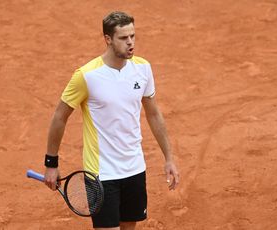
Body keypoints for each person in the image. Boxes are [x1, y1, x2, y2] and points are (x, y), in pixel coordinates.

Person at [43, 11, 179, 230]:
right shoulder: (86, 76)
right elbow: (60, 116)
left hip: (134, 168)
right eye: (124, 38)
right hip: (101, 173)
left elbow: (153, 114)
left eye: (133, 36)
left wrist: (169, 158)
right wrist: (51, 163)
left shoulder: (143, 69)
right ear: (108, 39)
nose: (131, 43)